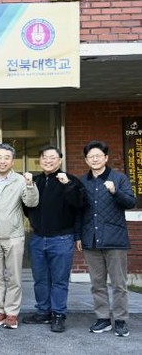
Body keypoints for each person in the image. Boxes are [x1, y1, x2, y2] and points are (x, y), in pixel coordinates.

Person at [23, 145, 84, 333]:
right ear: (40, 160)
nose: (48, 160)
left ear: (60, 160)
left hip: (62, 238)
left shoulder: (71, 180)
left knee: (59, 279)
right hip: (38, 238)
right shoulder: (35, 181)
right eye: (44, 157)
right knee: (40, 279)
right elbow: (27, 207)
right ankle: (43, 311)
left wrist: (68, 185)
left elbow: (79, 205)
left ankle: (58, 314)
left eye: (52, 157)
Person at [79, 140, 136, 337]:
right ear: (86, 160)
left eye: (98, 156)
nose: (94, 159)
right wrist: (78, 236)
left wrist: (114, 191)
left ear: (106, 158)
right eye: (91, 156)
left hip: (115, 239)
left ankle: (120, 320)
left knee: (119, 283)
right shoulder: (83, 181)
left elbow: (130, 202)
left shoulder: (119, 178)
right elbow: (79, 211)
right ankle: (103, 318)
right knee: (97, 283)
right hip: (91, 238)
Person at [0, 143, 38, 329]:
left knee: (14, 277)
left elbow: (31, 202)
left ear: (13, 161)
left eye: (7, 158)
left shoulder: (21, 180)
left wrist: (30, 185)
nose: (2, 161)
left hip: (13, 235)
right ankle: (0, 311)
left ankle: (12, 313)